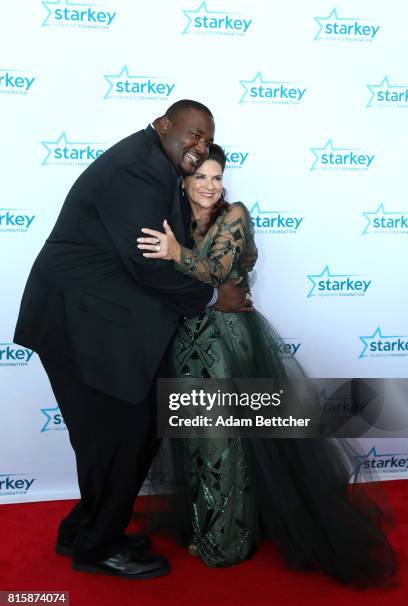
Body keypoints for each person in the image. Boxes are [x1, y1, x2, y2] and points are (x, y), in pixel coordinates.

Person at [136, 144, 398, 587]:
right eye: (201, 177)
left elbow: (217, 270)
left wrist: (174, 252)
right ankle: (204, 525)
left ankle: (229, 539)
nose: (210, 186)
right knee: (196, 442)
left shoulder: (234, 215)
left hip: (225, 342)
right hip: (184, 342)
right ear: (183, 182)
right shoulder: (175, 219)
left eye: (217, 177)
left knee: (226, 444)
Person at [13, 101, 252, 579]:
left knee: (117, 437)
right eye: (192, 134)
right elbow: (145, 261)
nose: (199, 147)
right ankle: (98, 547)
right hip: (81, 324)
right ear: (164, 126)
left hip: (93, 321)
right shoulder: (138, 170)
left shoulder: (149, 163)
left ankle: (86, 529)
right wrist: (211, 298)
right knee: (121, 437)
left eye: (207, 140)